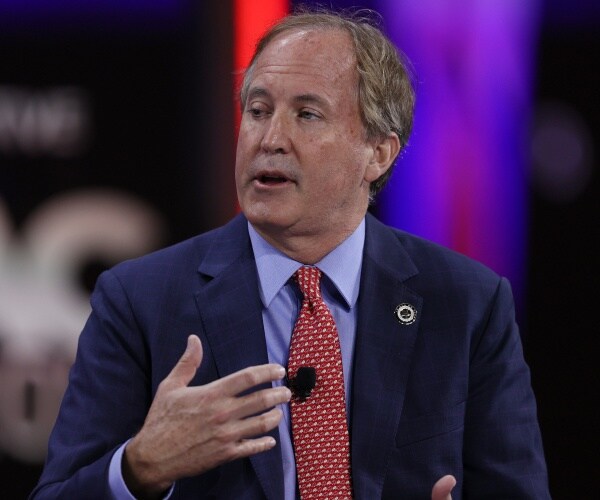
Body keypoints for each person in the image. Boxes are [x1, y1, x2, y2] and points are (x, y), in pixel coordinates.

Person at [30, 8, 549, 500]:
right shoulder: (139, 301)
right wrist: (142, 466)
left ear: (378, 153)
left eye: (307, 114)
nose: (270, 139)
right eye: (257, 111)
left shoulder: (466, 303)